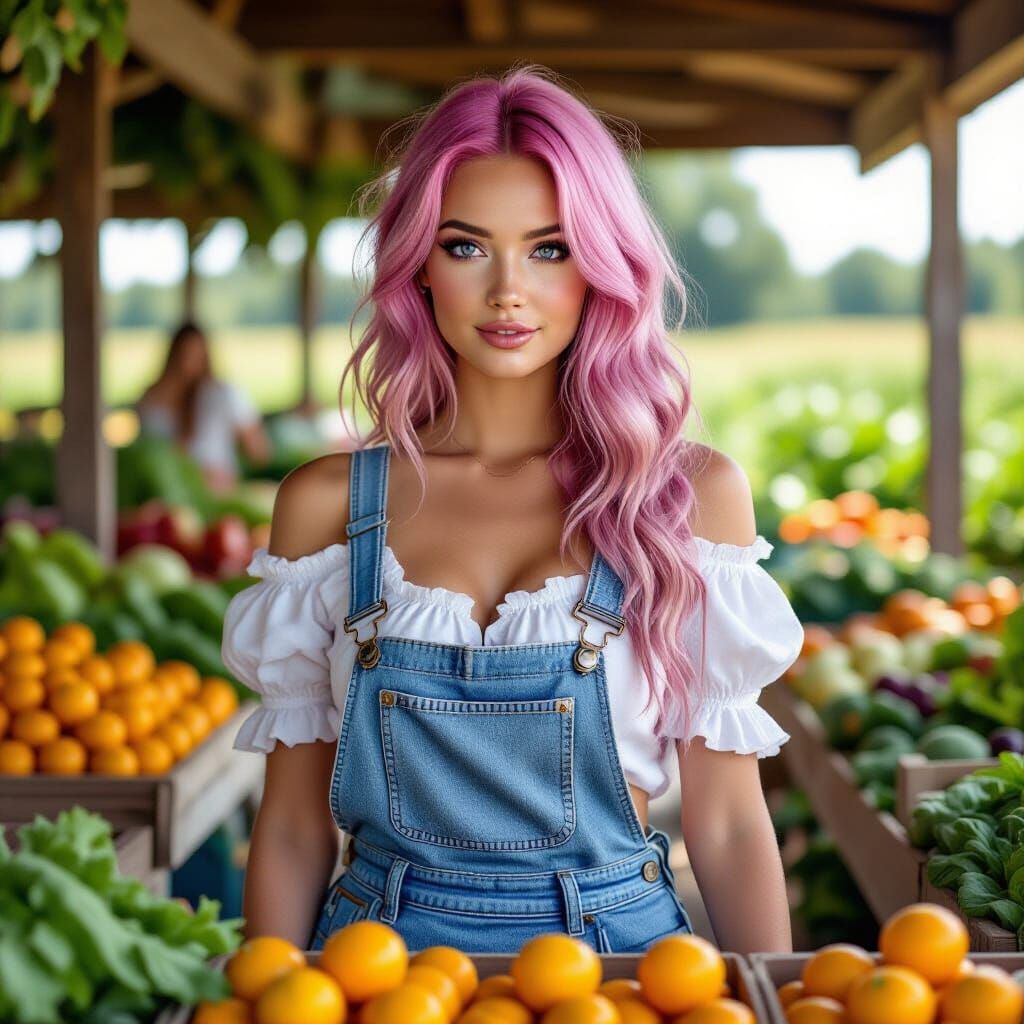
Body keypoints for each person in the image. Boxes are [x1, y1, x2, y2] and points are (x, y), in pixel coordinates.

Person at [221, 66, 804, 955]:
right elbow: (296, 828)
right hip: (376, 970)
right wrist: (269, 996)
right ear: (416, 264)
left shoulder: (687, 499)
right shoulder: (327, 506)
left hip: (619, 970)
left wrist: (775, 1000)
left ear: (603, 264)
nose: (507, 291)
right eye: (465, 246)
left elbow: (724, 826)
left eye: (550, 247)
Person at [136, 322, 270, 493]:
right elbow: (259, 452)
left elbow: (258, 452)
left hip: (209, 491)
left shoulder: (223, 394)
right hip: (196, 492)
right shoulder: (223, 393)